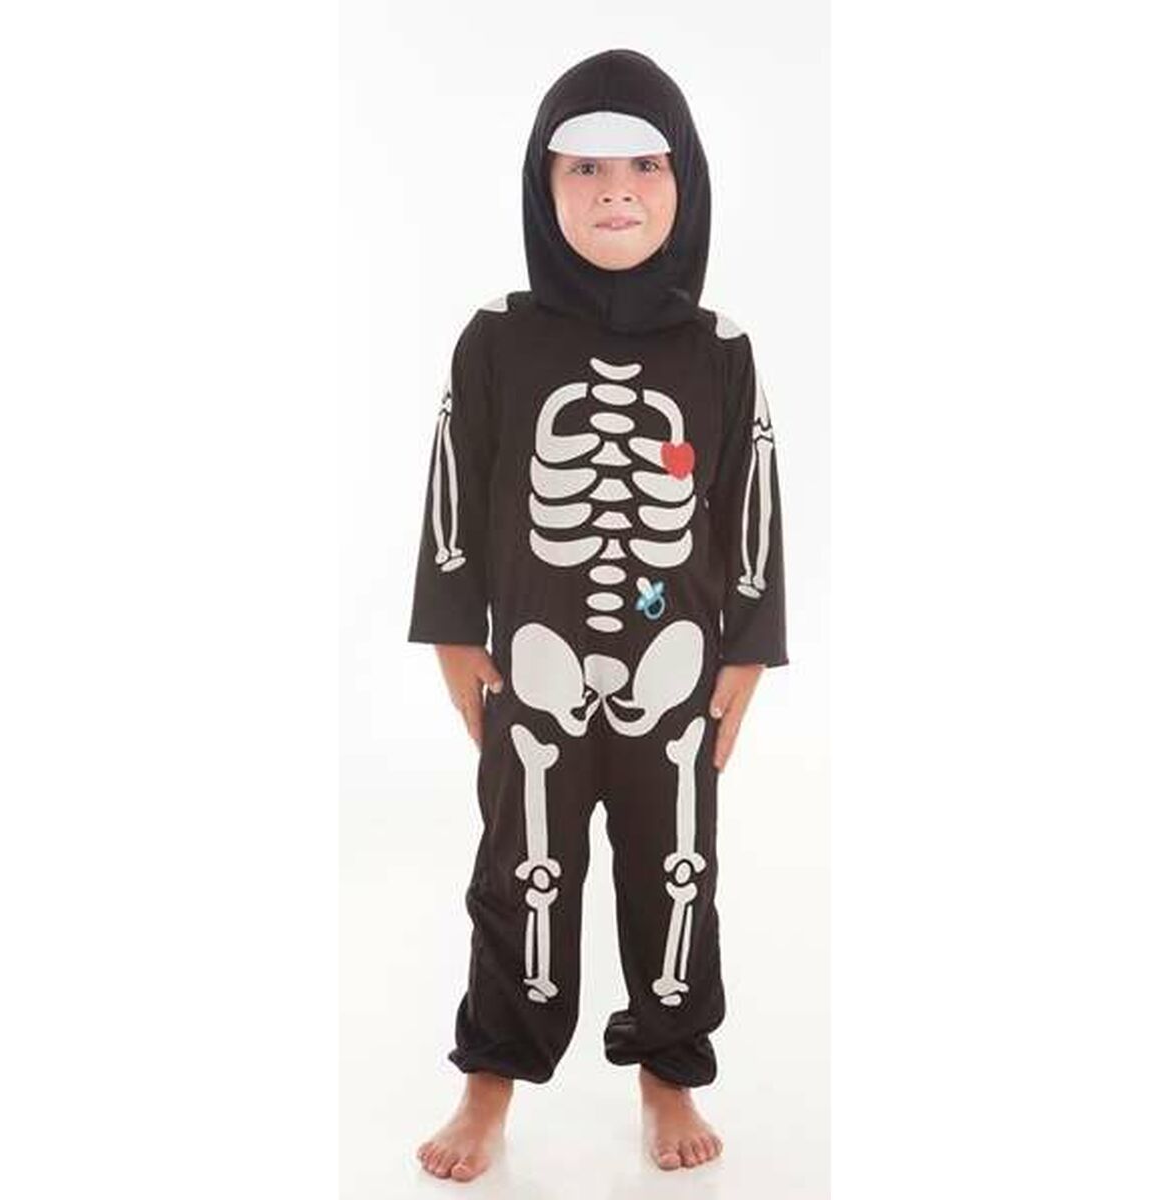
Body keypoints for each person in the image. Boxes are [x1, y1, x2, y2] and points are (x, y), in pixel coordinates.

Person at [406, 48, 788, 1182]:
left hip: (680, 661)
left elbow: (751, 504)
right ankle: (490, 1077)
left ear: (686, 182)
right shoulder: (496, 337)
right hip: (532, 661)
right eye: (583, 167)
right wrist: (454, 635)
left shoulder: (721, 350)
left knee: (678, 863)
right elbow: (455, 485)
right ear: (543, 184)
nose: (615, 190)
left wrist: (749, 653)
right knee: (520, 861)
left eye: (643, 165)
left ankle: (669, 1066)